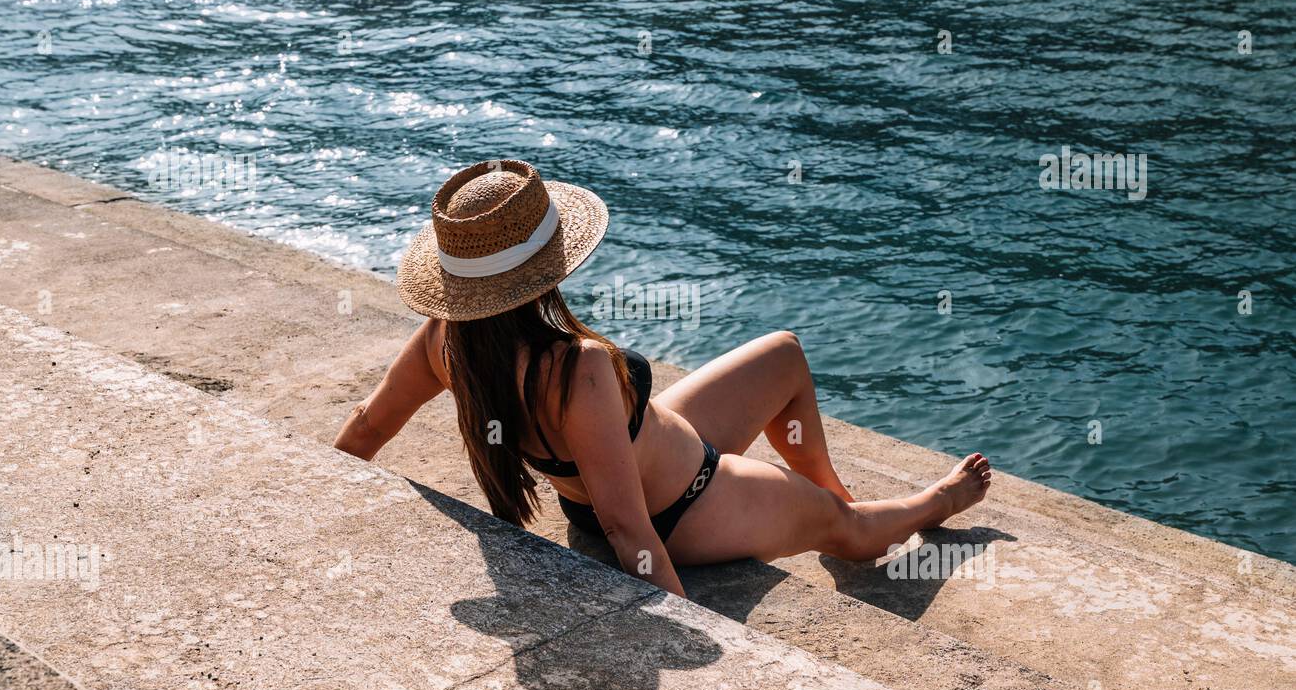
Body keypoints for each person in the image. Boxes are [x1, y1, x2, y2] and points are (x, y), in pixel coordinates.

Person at [335, 160, 991, 597]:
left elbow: (367, 428)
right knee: (849, 534)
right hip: (687, 501)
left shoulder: (443, 344)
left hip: (638, 456)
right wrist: (682, 632)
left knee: (785, 353)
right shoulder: (579, 371)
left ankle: (826, 495)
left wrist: (318, 492)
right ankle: (916, 506)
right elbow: (629, 534)